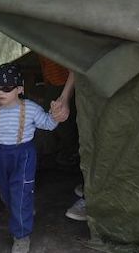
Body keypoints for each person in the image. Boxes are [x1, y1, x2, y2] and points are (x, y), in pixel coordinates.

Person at [0, 63, 65, 253]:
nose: (0, 92)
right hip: (0, 155)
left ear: (19, 89)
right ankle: (23, 210)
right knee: (6, 193)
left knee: (20, 193)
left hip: (23, 156)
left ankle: (21, 235)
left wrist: (55, 114)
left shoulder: (31, 109)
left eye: (7, 88)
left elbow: (48, 124)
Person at [44, 60, 88, 222]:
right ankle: (87, 186)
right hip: (63, 79)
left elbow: (79, 58)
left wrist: (64, 95)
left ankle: (91, 196)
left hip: (79, 80)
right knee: (78, 134)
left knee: (88, 137)